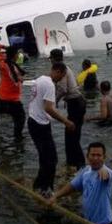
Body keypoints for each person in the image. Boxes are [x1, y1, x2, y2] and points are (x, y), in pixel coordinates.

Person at [27, 62, 75, 197]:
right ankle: (46, 189)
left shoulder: (39, 80)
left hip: (33, 121)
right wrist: (66, 121)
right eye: (63, 76)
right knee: (51, 159)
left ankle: (38, 185)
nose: (62, 79)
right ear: (57, 71)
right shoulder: (49, 85)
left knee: (45, 157)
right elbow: (49, 108)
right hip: (40, 124)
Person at [49, 142, 112, 224]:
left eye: (99, 155)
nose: (95, 158)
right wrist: (55, 196)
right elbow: (72, 186)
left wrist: (104, 171)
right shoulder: (85, 171)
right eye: (93, 155)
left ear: (104, 157)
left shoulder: (108, 172)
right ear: (87, 156)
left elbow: (106, 176)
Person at [50, 48, 86, 169]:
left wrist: (54, 101)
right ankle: (71, 162)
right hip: (77, 102)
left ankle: (80, 164)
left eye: (51, 59)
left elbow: (63, 89)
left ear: (54, 59)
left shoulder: (62, 70)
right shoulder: (66, 67)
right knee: (71, 134)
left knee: (72, 135)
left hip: (75, 103)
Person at [0, 45, 26, 139]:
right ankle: (18, 141)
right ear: (14, 55)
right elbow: (18, 79)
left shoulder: (3, 64)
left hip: (2, 98)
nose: (19, 54)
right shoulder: (11, 67)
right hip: (13, 101)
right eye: (18, 53)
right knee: (20, 120)